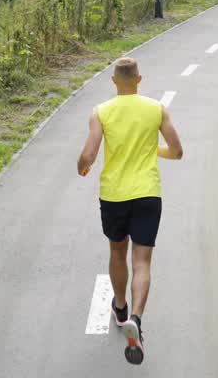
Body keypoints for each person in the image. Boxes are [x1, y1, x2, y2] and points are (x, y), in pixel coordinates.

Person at [77, 57, 184, 365]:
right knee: (142, 261)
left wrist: (82, 167)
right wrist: (154, 150)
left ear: (114, 81)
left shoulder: (101, 112)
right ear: (139, 80)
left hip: (115, 195)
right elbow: (177, 151)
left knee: (116, 251)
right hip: (148, 194)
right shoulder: (156, 109)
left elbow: (89, 154)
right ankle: (136, 317)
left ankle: (120, 307)